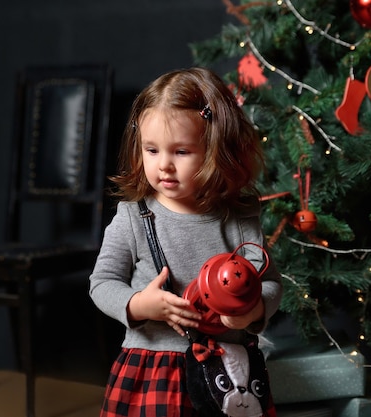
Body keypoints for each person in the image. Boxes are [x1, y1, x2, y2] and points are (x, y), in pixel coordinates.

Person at [89, 67, 283, 417]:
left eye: (181, 152)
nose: (164, 165)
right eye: (151, 150)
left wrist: (253, 311)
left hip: (227, 370)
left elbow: (269, 283)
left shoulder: (238, 218)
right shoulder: (133, 217)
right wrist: (139, 305)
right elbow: (102, 283)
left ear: (215, 150)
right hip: (154, 368)